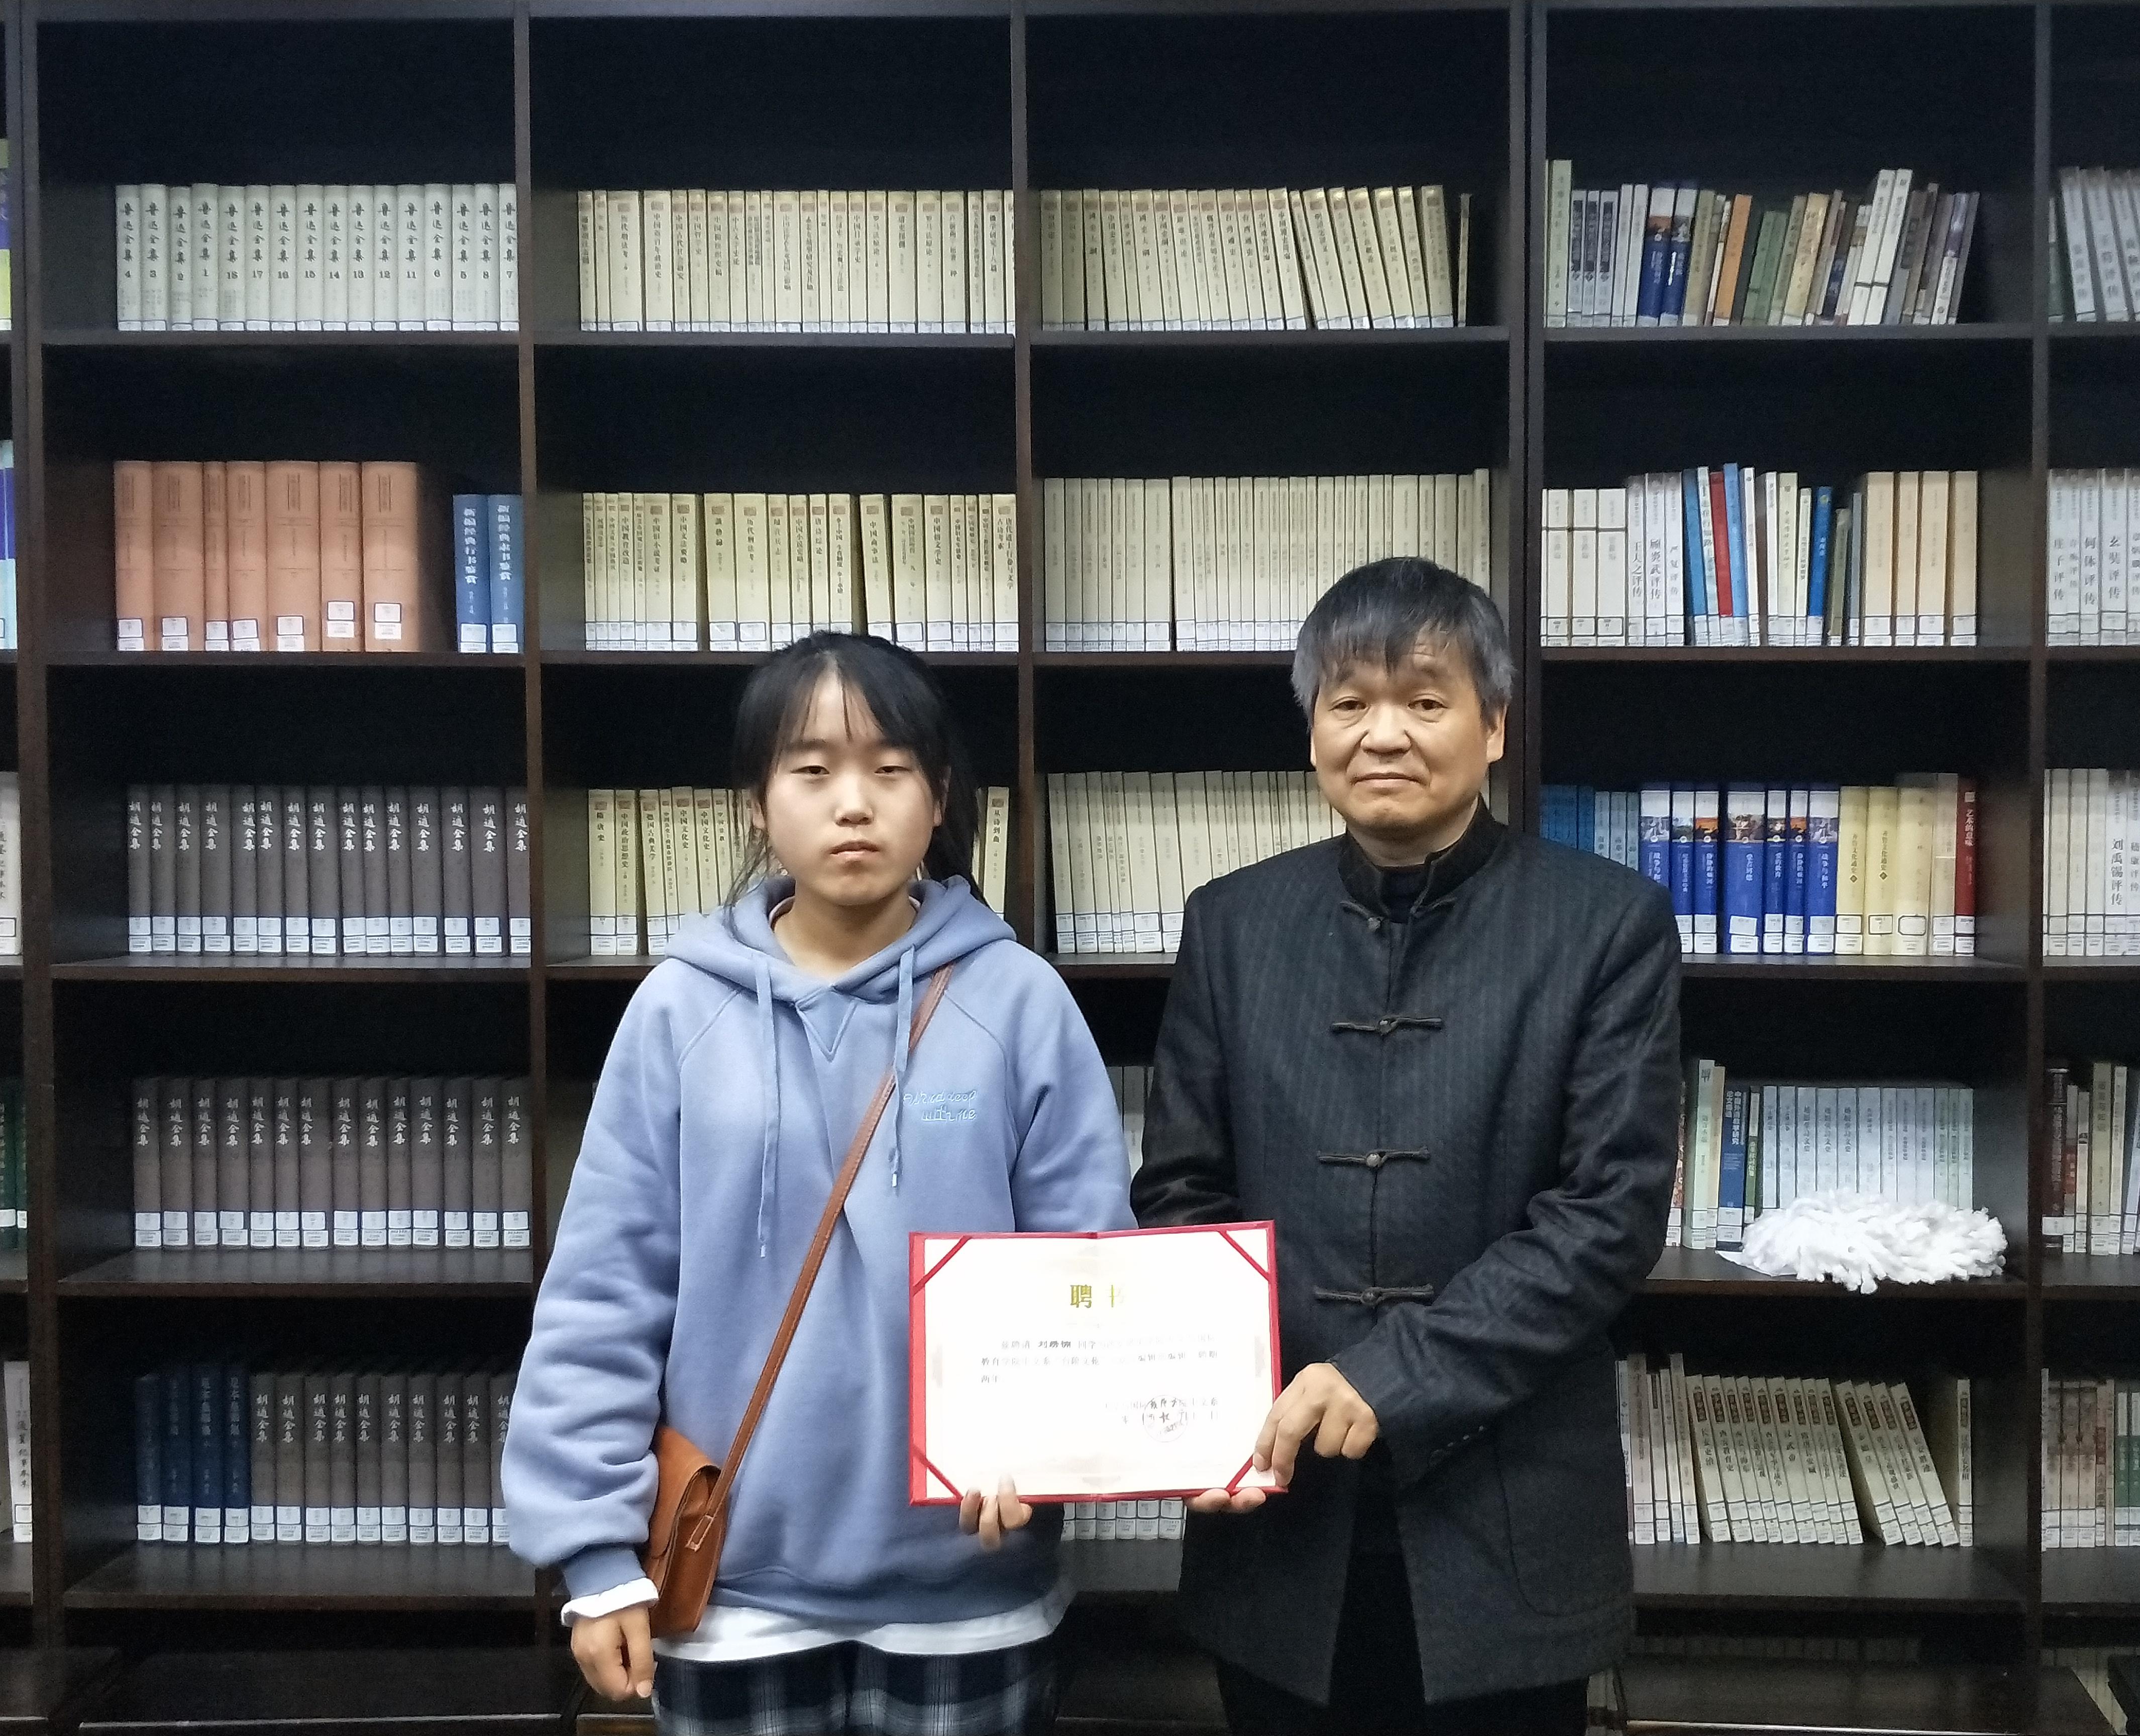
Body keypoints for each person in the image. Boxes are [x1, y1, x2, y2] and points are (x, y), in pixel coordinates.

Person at [504, 632, 1134, 1736]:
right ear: (757, 803)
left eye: (891, 770)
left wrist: (1051, 1447)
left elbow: (1091, 1269)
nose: (855, 804)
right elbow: (605, 1290)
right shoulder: (679, 1011)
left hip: (968, 1595)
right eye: (812, 770)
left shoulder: (1020, 1001)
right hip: (731, 1597)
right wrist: (594, 1556)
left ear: (939, 799)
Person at [1132, 559, 1681, 1736]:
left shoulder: (1607, 924)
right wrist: (1218, 1392)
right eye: (1350, 702)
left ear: (1494, 725)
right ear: (1314, 730)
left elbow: (1608, 1216)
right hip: (1280, 1513)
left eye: (1426, 700)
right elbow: (1182, 1191)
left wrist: (1388, 1377)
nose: (1384, 733)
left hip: (1508, 1514)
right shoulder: (1231, 924)